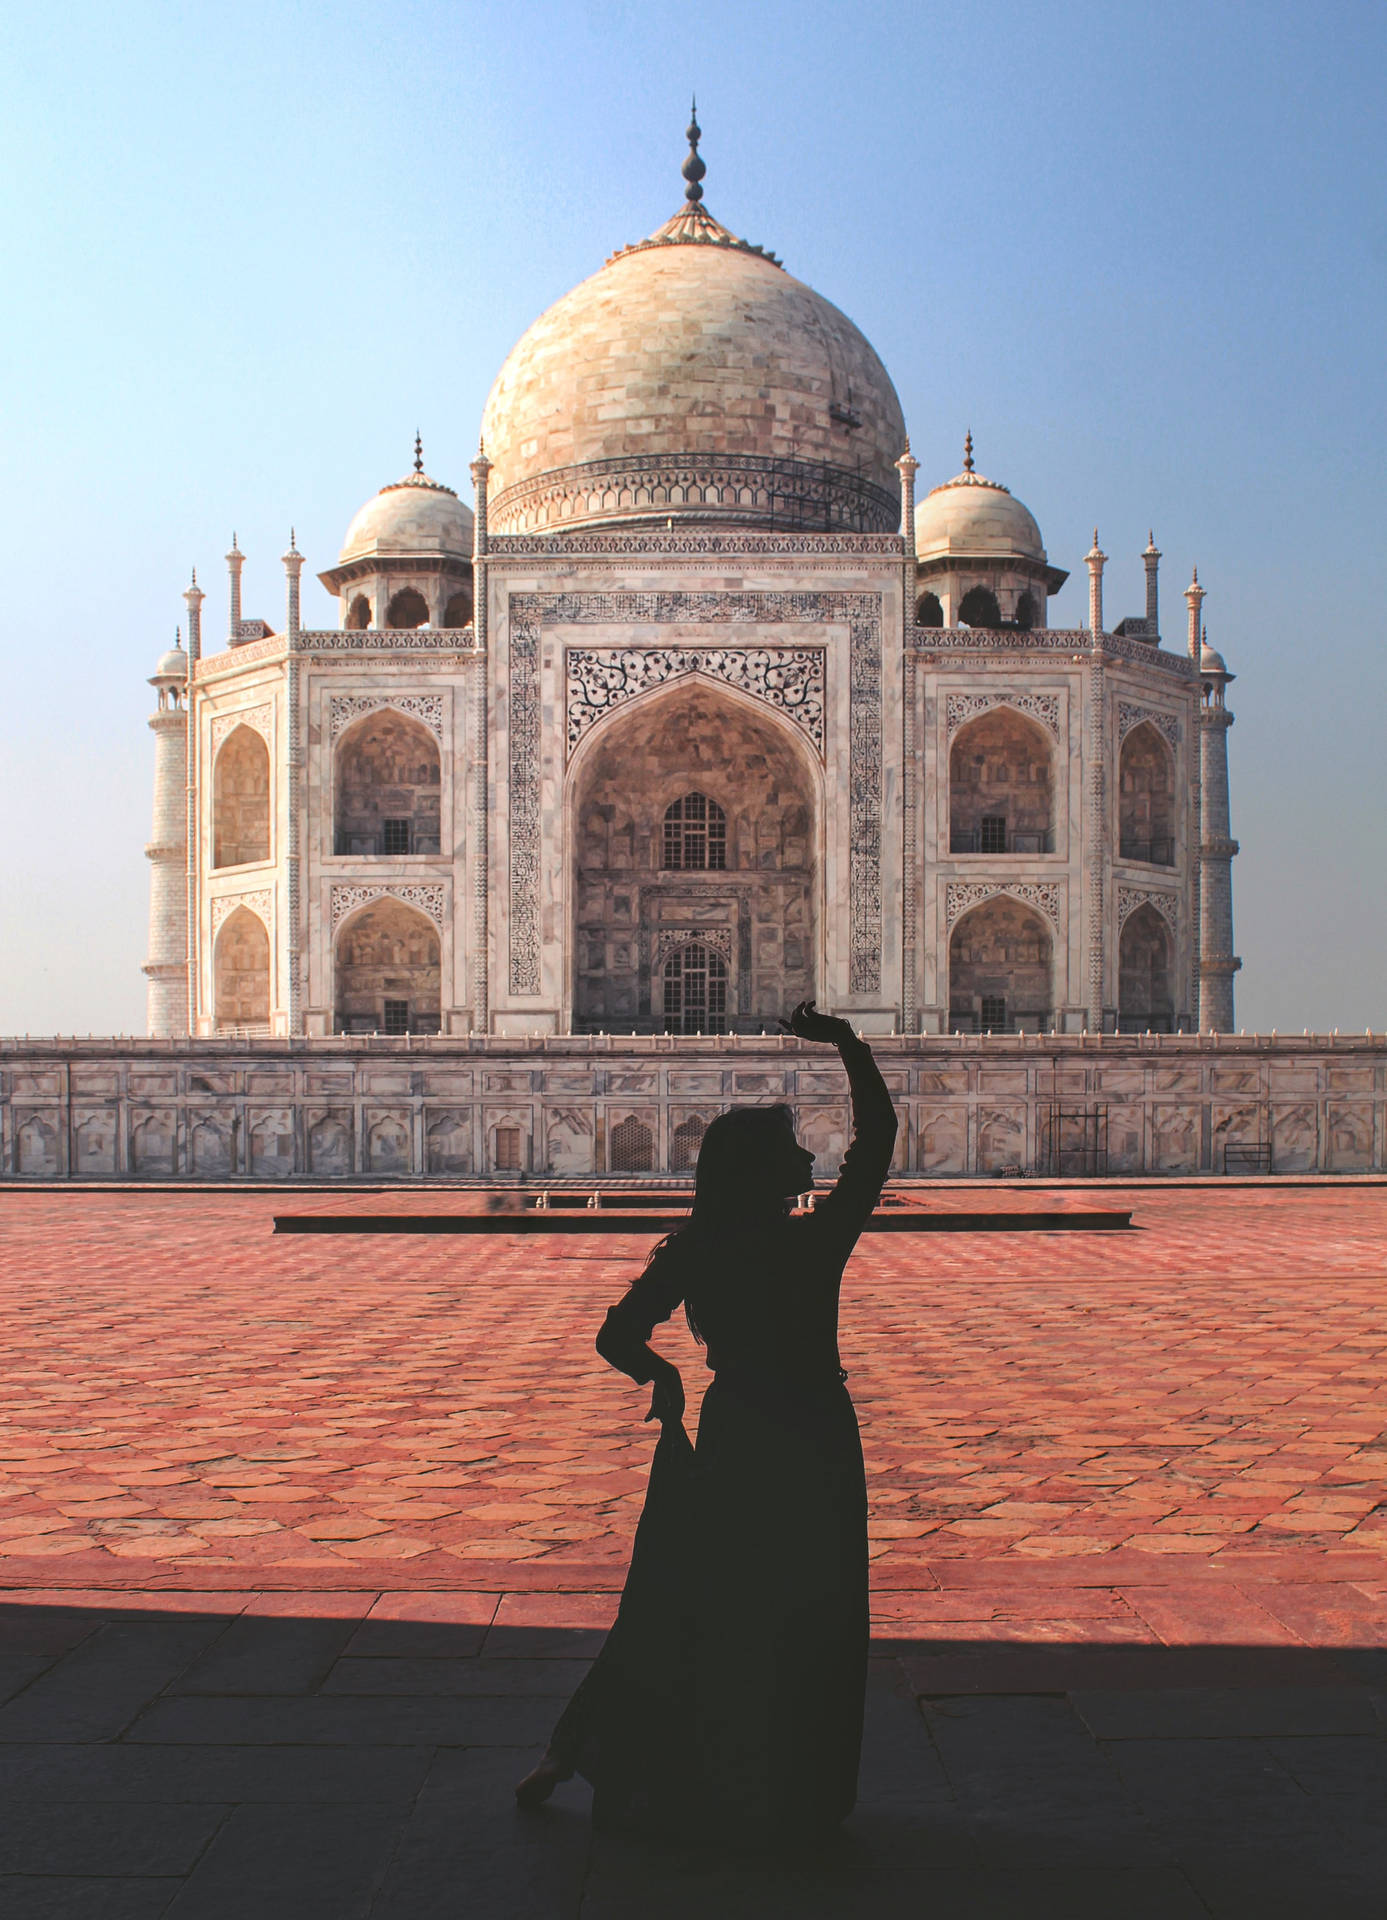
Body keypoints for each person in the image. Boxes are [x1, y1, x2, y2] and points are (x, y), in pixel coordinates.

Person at [515, 1001, 898, 1840]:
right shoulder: (813, 1241)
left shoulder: (696, 1246)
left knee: (690, 1599)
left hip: (735, 1427)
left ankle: (578, 1747)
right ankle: (784, 1784)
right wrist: (847, 1046)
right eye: (794, 1148)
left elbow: (615, 1334)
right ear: (768, 1170)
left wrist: (666, 1382)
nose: (809, 1154)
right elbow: (878, 1141)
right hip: (813, 1431)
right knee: (808, 1607)